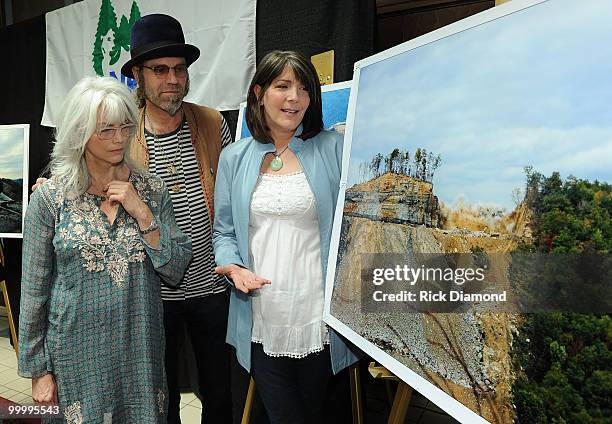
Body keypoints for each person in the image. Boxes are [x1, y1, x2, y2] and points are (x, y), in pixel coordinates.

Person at [18, 76, 192, 423]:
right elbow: (34, 291)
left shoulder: (152, 190)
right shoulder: (50, 200)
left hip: (139, 356)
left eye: (126, 127)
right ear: (79, 131)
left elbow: (175, 268)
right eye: (106, 130)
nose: (119, 138)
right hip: (75, 359)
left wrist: (142, 213)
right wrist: (39, 370)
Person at [213, 50, 359, 424]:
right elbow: (224, 232)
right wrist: (232, 268)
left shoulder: (335, 148)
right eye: (283, 86)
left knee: (313, 413)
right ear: (259, 93)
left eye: (304, 88)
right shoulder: (234, 157)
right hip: (261, 316)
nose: (295, 97)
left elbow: (355, 228)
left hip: (317, 317)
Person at [122, 14, 234, 424]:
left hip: (212, 285)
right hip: (152, 294)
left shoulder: (211, 122)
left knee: (220, 393)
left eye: (179, 69)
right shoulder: (123, 132)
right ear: (137, 75)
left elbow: (232, 201)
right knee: (160, 396)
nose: (173, 79)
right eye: (160, 70)